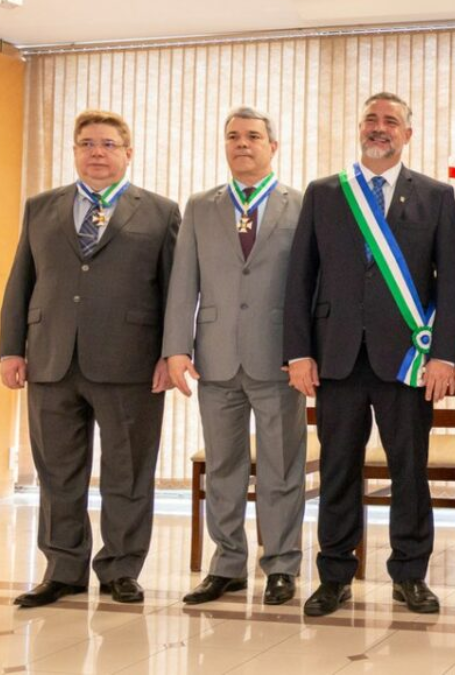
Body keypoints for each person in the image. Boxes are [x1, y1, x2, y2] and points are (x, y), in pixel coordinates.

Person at [284, 92, 455, 617]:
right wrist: (298, 352)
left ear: (408, 133)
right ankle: (334, 575)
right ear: (359, 128)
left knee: (409, 470)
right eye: (370, 120)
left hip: (408, 358)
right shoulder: (325, 192)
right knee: (338, 468)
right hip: (336, 356)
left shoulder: (435, 196)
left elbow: (452, 281)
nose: (379, 128)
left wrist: (444, 355)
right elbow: (300, 277)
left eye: (391, 121)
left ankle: (410, 575)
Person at [0, 109, 180, 607]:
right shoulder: (41, 207)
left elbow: (175, 291)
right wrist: (11, 348)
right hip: (51, 359)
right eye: (87, 144)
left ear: (128, 153)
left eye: (108, 144)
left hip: (131, 362)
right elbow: (21, 280)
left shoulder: (160, 212)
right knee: (57, 472)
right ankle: (63, 568)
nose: (97, 152)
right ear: (75, 151)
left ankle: (121, 568)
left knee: (128, 471)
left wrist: (171, 353)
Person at [163, 106, 305, 606]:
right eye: (233, 136)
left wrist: (305, 352)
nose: (242, 144)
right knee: (223, 467)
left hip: (278, 360)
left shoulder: (300, 204)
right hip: (216, 357)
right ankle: (227, 565)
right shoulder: (200, 206)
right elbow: (183, 281)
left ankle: (282, 565)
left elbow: (309, 286)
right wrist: (176, 348)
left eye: (253, 136)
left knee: (281, 467)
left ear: (273, 146)